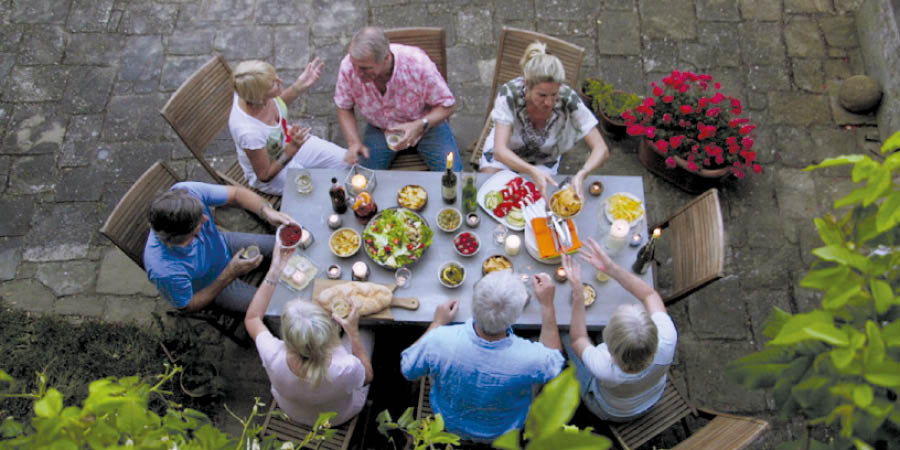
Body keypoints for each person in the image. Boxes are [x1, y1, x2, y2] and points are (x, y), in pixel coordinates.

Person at [400, 270, 564, 442]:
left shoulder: (438, 340)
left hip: (450, 421)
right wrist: (547, 305)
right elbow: (555, 366)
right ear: (516, 316)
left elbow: (408, 368)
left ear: (472, 304)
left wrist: (437, 323)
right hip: (505, 429)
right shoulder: (532, 358)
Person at [244, 241, 374, 426]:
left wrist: (275, 270)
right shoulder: (344, 368)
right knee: (367, 330)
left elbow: (252, 318)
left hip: (292, 410)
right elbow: (367, 377)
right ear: (330, 334)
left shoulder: (272, 353)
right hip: (335, 417)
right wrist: (353, 332)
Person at [561, 239, 677, 422]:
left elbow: (578, 339)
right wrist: (611, 268)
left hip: (610, 410)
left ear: (608, 344)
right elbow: (649, 295)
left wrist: (578, 293)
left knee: (564, 333)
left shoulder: (604, 367)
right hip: (651, 396)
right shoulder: (668, 338)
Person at [478, 40, 610, 199]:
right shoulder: (510, 94)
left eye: (554, 94)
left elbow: (601, 149)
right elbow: (500, 151)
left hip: (543, 159)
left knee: (540, 203)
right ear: (527, 84)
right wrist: (531, 171)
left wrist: (583, 173)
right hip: (507, 153)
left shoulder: (568, 99)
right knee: (490, 192)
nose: (549, 102)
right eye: (542, 95)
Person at [143, 182, 295, 312]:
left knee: (289, 245)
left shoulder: (186, 192)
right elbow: (188, 305)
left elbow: (236, 194)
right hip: (213, 285)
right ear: (186, 237)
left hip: (224, 245)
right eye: (199, 221)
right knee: (278, 308)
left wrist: (267, 211)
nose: (206, 218)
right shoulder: (163, 270)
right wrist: (230, 273)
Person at [334, 26, 462, 171]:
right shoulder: (348, 67)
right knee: (363, 178)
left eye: (365, 68)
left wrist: (420, 125)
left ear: (386, 58)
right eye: (354, 65)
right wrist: (353, 143)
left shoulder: (418, 64)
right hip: (380, 128)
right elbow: (343, 106)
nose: (357, 73)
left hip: (425, 125)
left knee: (453, 176)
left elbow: (448, 105)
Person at [229, 59, 348, 195]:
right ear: (260, 97)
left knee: (345, 161)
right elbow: (264, 175)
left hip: (286, 141)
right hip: (273, 166)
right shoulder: (249, 133)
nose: (280, 81)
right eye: (273, 84)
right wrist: (291, 149)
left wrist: (299, 86)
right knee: (321, 190)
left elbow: (278, 103)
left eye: (275, 77)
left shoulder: (248, 92)